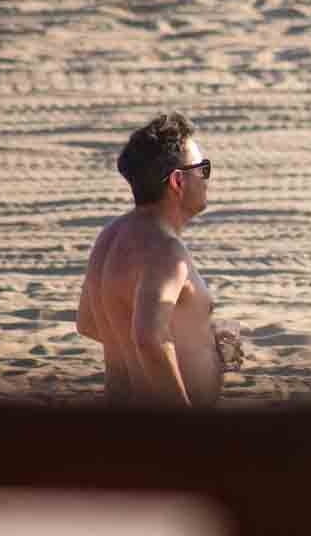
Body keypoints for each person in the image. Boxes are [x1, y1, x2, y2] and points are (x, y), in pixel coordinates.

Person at [76, 112, 236, 408]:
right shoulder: (166, 252)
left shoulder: (109, 236)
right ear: (178, 181)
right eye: (202, 169)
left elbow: (87, 323)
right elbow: (149, 337)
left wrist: (201, 341)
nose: (206, 178)